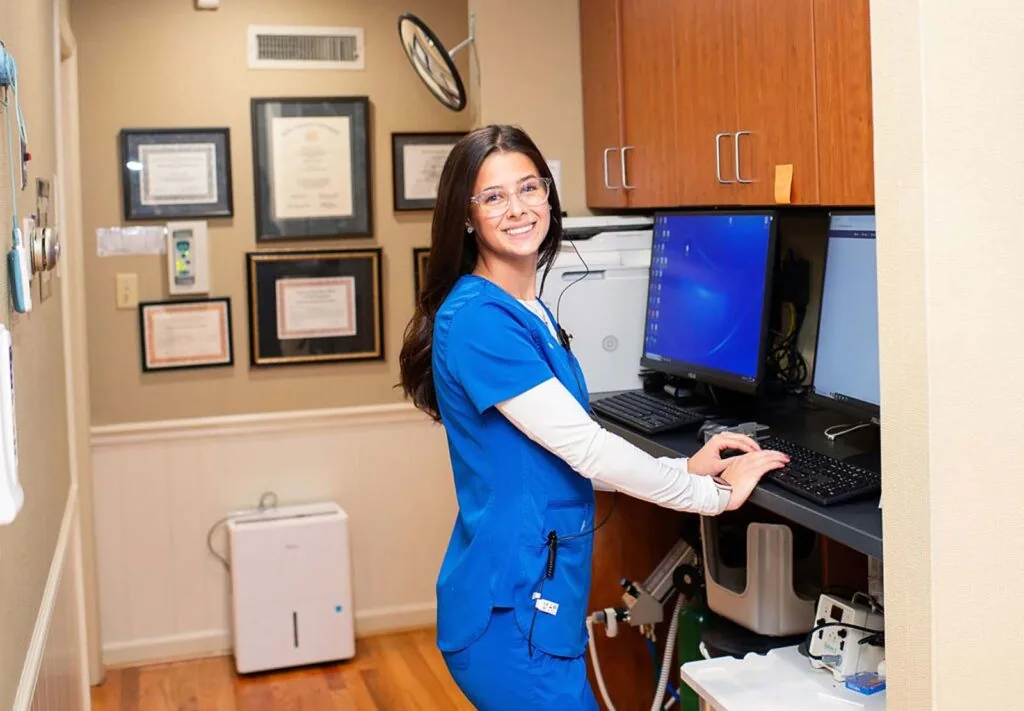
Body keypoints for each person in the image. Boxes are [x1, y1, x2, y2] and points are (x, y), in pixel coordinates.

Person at [398, 124, 790, 710]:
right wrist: (713, 497)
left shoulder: (527, 309)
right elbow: (585, 448)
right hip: (511, 612)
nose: (519, 208)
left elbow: (558, 457)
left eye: (530, 188)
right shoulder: (481, 320)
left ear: (550, 196)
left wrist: (686, 467)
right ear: (466, 216)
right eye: (494, 196)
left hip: (540, 607)